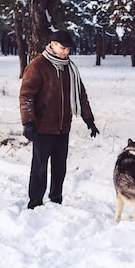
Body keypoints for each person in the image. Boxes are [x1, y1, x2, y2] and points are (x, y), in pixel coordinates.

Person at [19, 30, 99, 209]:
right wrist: (28, 123)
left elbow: (80, 94)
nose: (66, 52)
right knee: (39, 168)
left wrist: (89, 119)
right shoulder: (38, 66)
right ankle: (35, 203)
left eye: (68, 49)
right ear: (53, 44)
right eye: (63, 48)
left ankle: (56, 200)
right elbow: (26, 96)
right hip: (42, 127)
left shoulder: (69, 68)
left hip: (63, 127)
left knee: (59, 167)